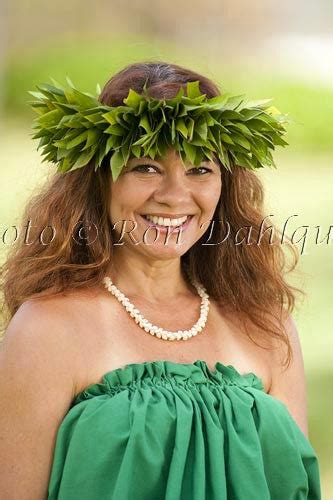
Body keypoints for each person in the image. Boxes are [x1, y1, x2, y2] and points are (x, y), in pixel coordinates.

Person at [0, 61, 321, 499]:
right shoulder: (47, 330)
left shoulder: (266, 326)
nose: (174, 196)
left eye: (199, 170)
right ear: (99, 181)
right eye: (145, 167)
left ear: (225, 186)